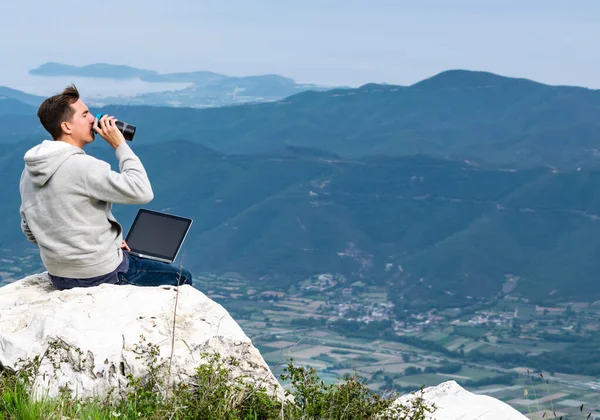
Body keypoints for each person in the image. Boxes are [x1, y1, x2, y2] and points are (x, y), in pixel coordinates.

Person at [19, 84, 193, 290]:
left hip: (59, 274)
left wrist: (91, 246)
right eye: (85, 115)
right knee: (182, 277)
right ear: (67, 127)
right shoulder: (84, 166)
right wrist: (120, 145)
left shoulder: (31, 170)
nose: (93, 119)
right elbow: (142, 191)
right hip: (100, 273)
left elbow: (30, 230)